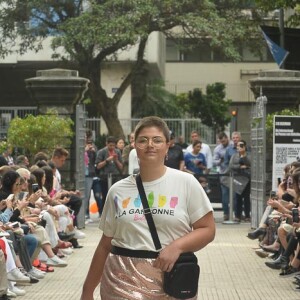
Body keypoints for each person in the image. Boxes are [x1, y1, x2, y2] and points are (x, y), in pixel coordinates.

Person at [81, 116, 215, 300]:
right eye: (143, 140)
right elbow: (105, 245)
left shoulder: (186, 183)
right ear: (134, 145)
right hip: (121, 281)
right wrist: (87, 290)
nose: (150, 145)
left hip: (171, 281)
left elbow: (207, 229)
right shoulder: (117, 191)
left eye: (157, 140)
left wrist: (177, 247)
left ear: (168, 145)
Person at [95, 136, 123, 210]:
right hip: (104, 177)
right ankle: (104, 212)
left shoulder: (117, 152)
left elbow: (121, 167)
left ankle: (116, 210)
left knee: (116, 195)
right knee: (105, 195)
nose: (112, 147)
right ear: (106, 144)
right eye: (110, 145)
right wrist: (107, 160)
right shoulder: (101, 152)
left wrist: (116, 160)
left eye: (114, 145)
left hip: (115, 177)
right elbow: (98, 166)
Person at [229, 140, 251, 222]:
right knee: (237, 197)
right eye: (238, 145)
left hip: (247, 178)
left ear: (245, 146)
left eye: (241, 145)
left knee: (246, 198)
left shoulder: (249, 155)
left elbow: (250, 163)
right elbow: (231, 165)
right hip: (237, 178)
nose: (239, 147)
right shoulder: (234, 156)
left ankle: (247, 215)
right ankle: (237, 215)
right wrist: (240, 166)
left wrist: (243, 156)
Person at [213, 132, 230, 221]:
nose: (223, 142)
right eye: (221, 141)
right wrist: (220, 160)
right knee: (225, 195)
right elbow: (214, 162)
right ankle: (226, 214)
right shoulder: (217, 149)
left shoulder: (231, 147)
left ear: (227, 138)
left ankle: (236, 215)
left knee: (235, 197)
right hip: (223, 174)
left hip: (234, 174)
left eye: (224, 140)